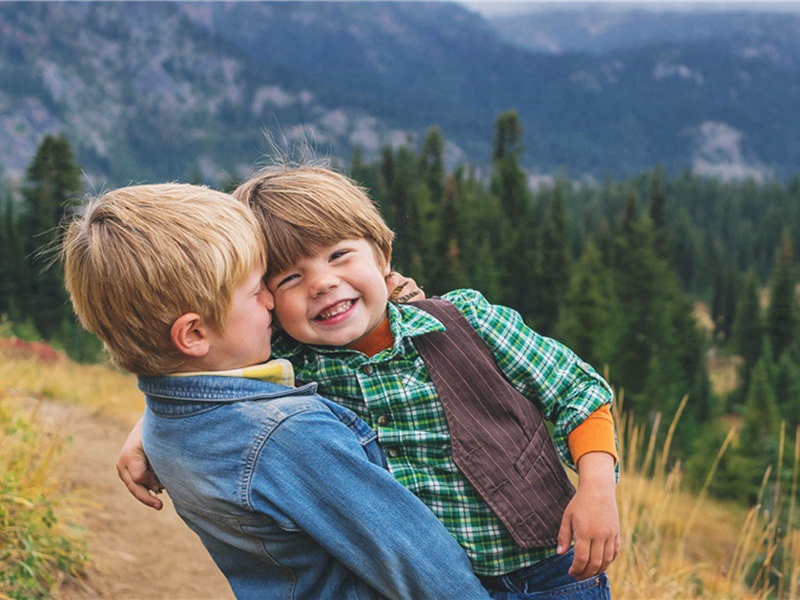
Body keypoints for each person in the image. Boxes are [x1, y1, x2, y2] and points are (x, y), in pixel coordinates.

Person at [119, 166, 621, 598]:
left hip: (550, 572)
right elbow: (220, 384)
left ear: (383, 256)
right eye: (289, 279)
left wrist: (597, 487)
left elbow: (578, 391)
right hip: (428, 584)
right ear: (268, 302)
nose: (321, 283)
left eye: (339, 255)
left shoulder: (468, 320)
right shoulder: (294, 358)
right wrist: (147, 425)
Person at [62, 183, 490, 600]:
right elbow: (417, 562)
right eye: (256, 290)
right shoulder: (291, 437)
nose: (272, 301)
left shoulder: (169, 423)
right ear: (193, 333)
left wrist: (145, 424)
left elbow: (195, 389)